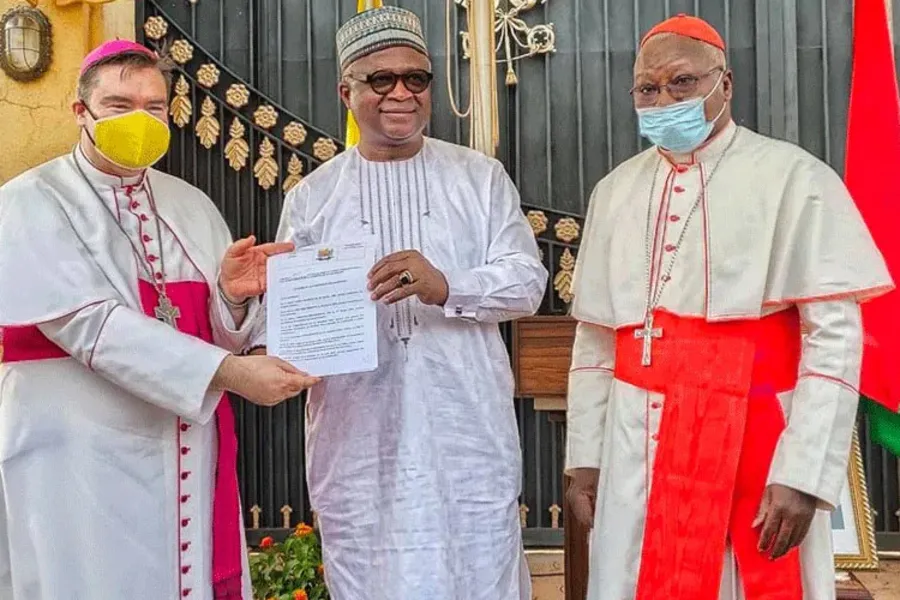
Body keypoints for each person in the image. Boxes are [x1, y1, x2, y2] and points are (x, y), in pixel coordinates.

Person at [565, 14, 892, 600]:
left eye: (682, 83)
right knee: (629, 576)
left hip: (752, 436)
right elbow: (595, 340)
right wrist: (584, 456)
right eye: (648, 88)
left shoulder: (794, 176)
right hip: (635, 439)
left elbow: (834, 338)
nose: (663, 99)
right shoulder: (614, 190)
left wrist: (803, 472)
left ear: (725, 83)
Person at [0, 40, 316, 599]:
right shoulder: (27, 203)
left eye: (154, 107)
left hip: (184, 449)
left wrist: (231, 297)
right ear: (82, 112)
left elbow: (214, 329)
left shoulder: (191, 204)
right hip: (77, 454)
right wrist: (230, 373)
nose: (140, 121)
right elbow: (91, 327)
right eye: (120, 106)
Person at [262, 6, 547, 599]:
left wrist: (447, 286)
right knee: (368, 572)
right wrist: (257, 313)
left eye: (416, 78)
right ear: (347, 91)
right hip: (357, 440)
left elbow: (527, 282)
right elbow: (283, 323)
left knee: (480, 565)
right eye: (381, 79)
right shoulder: (313, 197)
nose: (401, 93)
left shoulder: (479, 177)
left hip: (466, 431)